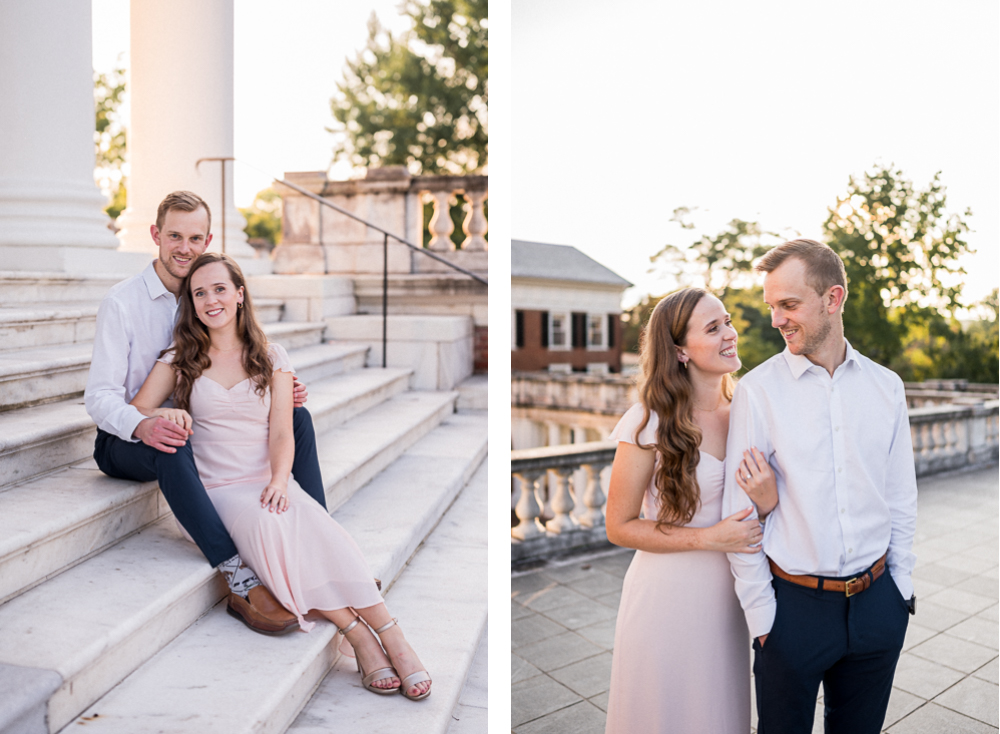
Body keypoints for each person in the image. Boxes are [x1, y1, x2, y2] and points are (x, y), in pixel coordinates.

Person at [129, 252, 432, 699]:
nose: (210, 300)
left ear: (239, 294)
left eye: (219, 289)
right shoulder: (179, 358)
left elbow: (282, 433)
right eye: (199, 293)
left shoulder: (272, 356)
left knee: (311, 521)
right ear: (191, 304)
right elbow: (135, 411)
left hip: (265, 477)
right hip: (217, 491)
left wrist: (278, 479)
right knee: (270, 526)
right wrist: (168, 412)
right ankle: (361, 635)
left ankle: (392, 635)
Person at [84, 191, 327, 635]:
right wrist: (145, 422)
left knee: (297, 420)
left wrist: (273, 392)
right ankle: (237, 575)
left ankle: (321, 547)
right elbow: (99, 397)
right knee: (172, 440)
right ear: (156, 235)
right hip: (126, 438)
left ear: (208, 238)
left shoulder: (207, 294)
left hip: (200, 426)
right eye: (174, 235)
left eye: (195, 237)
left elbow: (238, 360)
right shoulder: (121, 302)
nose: (185, 248)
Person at [723, 239, 917, 734]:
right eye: (772, 307)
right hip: (793, 611)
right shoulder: (758, 391)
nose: (775, 320)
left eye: (788, 305)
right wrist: (764, 619)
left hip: (878, 607)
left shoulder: (886, 387)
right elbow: (738, 516)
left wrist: (901, 589)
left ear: (833, 299)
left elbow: (900, 497)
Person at [603, 287, 775, 734]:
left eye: (729, 322)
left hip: (730, 598)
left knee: (717, 715)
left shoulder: (750, 411)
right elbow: (618, 526)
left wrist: (768, 500)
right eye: (713, 328)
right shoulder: (648, 421)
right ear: (680, 350)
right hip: (666, 598)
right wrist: (707, 538)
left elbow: (776, 507)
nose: (730, 334)